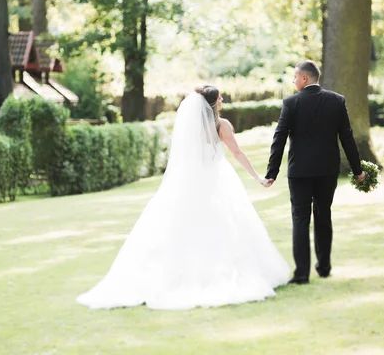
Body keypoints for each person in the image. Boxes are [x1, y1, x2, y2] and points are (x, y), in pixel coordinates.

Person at [76, 85, 289, 310]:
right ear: (213, 103)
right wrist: (257, 177)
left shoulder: (191, 127)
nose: (223, 99)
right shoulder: (222, 125)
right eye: (220, 97)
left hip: (191, 181)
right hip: (216, 180)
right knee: (224, 224)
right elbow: (237, 152)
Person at [264, 60, 366, 284]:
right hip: (327, 171)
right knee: (323, 215)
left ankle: (301, 274)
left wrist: (272, 172)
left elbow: (278, 138)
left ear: (304, 78)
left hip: (299, 172)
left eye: (294, 77)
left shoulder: (291, 103)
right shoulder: (337, 101)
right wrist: (357, 169)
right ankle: (324, 267)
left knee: (300, 219)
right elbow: (347, 137)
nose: (292, 81)